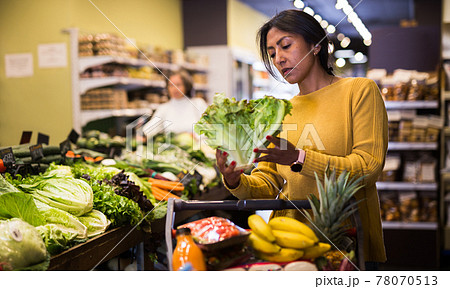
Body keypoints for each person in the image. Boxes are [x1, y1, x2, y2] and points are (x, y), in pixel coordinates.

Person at [215, 9, 388, 269]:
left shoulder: (359, 92)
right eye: (272, 53)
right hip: (289, 242)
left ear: (316, 45)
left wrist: (299, 157)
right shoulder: (282, 110)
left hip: (347, 240)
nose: (279, 59)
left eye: (286, 46)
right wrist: (235, 180)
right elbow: (269, 181)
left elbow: (368, 168)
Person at [143, 69, 208, 136]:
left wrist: (196, 137)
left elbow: (210, 129)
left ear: (187, 86)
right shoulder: (164, 108)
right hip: (172, 146)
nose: (174, 89)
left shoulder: (198, 104)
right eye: (171, 85)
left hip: (197, 145)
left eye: (178, 85)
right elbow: (148, 130)